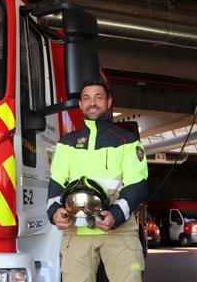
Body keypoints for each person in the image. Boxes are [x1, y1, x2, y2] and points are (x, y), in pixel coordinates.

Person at [47, 79, 148, 282]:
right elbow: (57, 182)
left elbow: (138, 185)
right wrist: (53, 211)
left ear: (109, 102)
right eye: (86, 98)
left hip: (118, 231)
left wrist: (116, 214)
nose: (92, 103)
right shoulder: (67, 143)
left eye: (98, 97)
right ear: (80, 104)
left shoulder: (127, 141)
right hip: (76, 233)